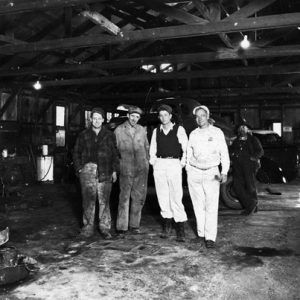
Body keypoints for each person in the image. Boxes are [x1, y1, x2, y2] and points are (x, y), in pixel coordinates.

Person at [186, 105, 229, 248]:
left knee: (211, 205)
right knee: (198, 205)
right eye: (197, 116)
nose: (200, 119)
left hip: (212, 172)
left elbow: (224, 153)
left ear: (208, 116)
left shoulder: (217, 132)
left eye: (202, 115)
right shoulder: (193, 134)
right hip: (195, 172)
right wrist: (189, 170)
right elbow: (188, 154)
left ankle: (210, 238)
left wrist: (224, 172)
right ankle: (201, 234)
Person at [73, 107, 119, 239]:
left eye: (99, 118)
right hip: (88, 171)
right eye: (94, 118)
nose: (97, 121)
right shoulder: (83, 135)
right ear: (90, 119)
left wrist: (115, 170)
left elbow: (115, 154)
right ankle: (88, 228)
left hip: (106, 170)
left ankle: (104, 228)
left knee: (104, 201)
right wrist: (80, 168)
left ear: (103, 120)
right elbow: (76, 152)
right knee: (88, 200)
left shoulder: (110, 135)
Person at [149, 104, 188, 242]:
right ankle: (167, 227)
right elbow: (152, 149)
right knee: (162, 196)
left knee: (176, 196)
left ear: (171, 116)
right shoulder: (156, 131)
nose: (163, 117)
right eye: (161, 115)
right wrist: (154, 162)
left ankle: (181, 230)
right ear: (159, 117)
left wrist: (182, 163)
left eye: (166, 115)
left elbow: (186, 148)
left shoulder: (179, 129)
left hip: (174, 164)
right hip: (160, 164)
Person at [114, 106, 149, 236]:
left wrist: (146, 163)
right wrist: (118, 166)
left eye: (137, 117)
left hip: (141, 169)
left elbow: (146, 147)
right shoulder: (119, 130)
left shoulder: (141, 130)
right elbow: (114, 151)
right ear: (128, 116)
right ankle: (122, 227)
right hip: (126, 168)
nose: (134, 119)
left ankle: (134, 225)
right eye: (132, 116)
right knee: (124, 198)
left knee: (138, 197)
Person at [231, 123, 264, 215]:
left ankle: (252, 206)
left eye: (244, 127)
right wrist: (232, 155)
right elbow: (231, 150)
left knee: (250, 186)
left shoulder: (253, 139)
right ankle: (252, 203)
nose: (242, 128)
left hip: (249, 166)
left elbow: (260, 151)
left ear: (248, 129)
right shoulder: (236, 140)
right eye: (240, 127)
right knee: (237, 187)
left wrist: (252, 158)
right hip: (237, 166)